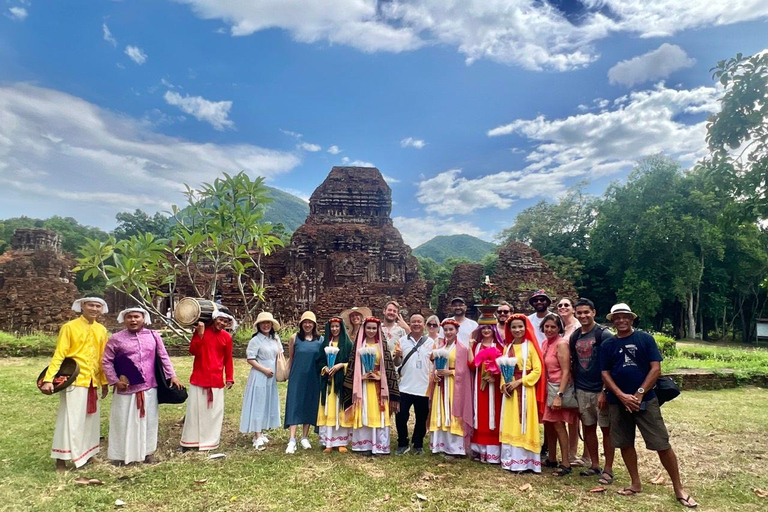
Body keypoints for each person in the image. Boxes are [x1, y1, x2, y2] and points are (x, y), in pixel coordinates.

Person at [601, 303, 698, 508]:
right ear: (612, 321)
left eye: (624, 317)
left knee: (661, 443)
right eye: (616, 317)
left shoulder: (645, 339)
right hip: (618, 403)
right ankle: (635, 483)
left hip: (646, 400)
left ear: (632, 318)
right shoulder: (608, 344)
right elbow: (605, 373)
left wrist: (638, 394)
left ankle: (678, 488)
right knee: (625, 443)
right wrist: (621, 395)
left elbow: (656, 369)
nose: (621, 320)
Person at [103, 307, 182, 465]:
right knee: (122, 421)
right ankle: (119, 456)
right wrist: (114, 381)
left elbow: (163, 356)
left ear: (143, 318)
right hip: (125, 389)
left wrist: (172, 375)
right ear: (124, 320)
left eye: (136, 317)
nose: (133, 320)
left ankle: (147, 453)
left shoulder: (153, 336)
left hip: (149, 386)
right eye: (129, 317)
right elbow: (106, 361)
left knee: (149, 421)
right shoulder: (116, 339)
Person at [40, 297, 110, 471]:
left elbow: (102, 358)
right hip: (74, 379)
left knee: (90, 419)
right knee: (70, 419)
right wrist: (49, 379)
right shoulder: (69, 327)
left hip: (92, 380)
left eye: (97, 306)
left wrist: (104, 381)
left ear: (101, 309)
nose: (94, 308)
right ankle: (61, 460)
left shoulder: (101, 330)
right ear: (82, 306)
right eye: (91, 305)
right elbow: (60, 354)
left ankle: (88, 453)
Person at [571, 298, 615, 485]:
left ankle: (608, 468)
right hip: (582, 389)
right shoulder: (575, 336)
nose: (583, 316)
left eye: (586, 312)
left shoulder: (604, 335)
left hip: (600, 390)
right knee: (588, 428)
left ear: (594, 313)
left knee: (606, 430)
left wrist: (605, 391)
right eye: (579, 313)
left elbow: (612, 365)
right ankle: (594, 464)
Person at [180, 309, 235, 451]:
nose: (222, 323)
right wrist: (200, 335)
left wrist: (229, 377)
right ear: (214, 319)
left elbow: (228, 359)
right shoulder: (201, 331)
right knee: (194, 411)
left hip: (216, 379)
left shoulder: (226, 337)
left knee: (213, 413)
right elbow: (193, 351)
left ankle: (210, 442)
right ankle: (190, 442)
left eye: (225, 321)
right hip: (199, 377)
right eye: (220, 320)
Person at [343, 317, 399, 455]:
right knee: (363, 412)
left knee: (378, 413)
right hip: (362, 386)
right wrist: (360, 377)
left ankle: (379, 445)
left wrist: (379, 376)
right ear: (364, 329)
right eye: (369, 328)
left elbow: (388, 368)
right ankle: (363, 446)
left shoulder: (382, 347)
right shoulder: (358, 347)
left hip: (379, 387)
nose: (371, 331)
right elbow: (352, 367)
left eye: (374, 328)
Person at [499, 314, 546, 473]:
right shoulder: (507, 347)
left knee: (524, 422)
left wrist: (519, 382)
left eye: (520, 326)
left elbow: (538, 370)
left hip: (525, 390)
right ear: (509, 329)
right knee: (510, 422)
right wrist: (504, 385)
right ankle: (510, 460)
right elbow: (503, 370)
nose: (517, 330)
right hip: (510, 391)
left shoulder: (530, 346)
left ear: (525, 328)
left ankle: (525, 462)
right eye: (514, 327)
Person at [428, 319, 473, 458]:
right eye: (446, 330)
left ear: (457, 331)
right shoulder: (439, 349)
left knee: (454, 412)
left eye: (451, 329)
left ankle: (456, 448)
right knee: (441, 411)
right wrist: (436, 375)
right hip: (441, 385)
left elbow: (466, 370)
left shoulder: (462, 349)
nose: (448, 332)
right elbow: (435, 367)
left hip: (455, 386)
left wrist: (451, 373)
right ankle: (441, 444)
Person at [540, 313, 578, 476]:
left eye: (553, 327)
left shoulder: (561, 344)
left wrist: (559, 394)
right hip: (547, 386)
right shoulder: (544, 343)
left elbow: (566, 371)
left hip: (557, 386)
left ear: (559, 328)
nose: (549, 330)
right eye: (547, 326)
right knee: (549, 423)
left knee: (559, 424)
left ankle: (566, 462)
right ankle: (552, 458)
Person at [240, 312, 282, 451]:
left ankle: (261, 431)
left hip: (271, 377)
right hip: (259, 375)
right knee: (258, 403)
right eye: (263, 323)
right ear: (258, 325)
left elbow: (280, 355)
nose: (266, 325)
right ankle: (257, 435)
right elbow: (250, 359)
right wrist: (264, 370)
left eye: (268, 323)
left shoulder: (275, 339)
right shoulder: (255, 341)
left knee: (266, 403)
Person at [393, 314, 434, 455]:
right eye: (413, 321)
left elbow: (434, 363)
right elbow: (397, 363)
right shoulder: (402, 341)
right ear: (409, 324)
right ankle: (402, 443)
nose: (416, 324)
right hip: (405, 386)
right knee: (401, 416)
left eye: (419, 322)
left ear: (424, 325)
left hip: (423, 387)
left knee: (421, 417)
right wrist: (397, 355)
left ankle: (418, 443)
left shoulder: (431, 342)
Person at [284, 311, 323, 454]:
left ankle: (304, 437)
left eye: (310, 322)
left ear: (314, 325)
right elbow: (292, 358)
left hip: (313, 376)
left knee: (309, 403)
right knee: (294, 403)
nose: (307, 325)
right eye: (305, 322)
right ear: (301, 324)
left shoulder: (320, 340)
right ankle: (292, 439)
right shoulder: (294, 338)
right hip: (297, 376)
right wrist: (287, 373)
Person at [316, 316, 354, 452]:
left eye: (337, 326)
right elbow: (319, 360)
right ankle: (328, 442)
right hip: (328, 383)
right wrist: (324, 368)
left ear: (341, 328)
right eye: (332, 327)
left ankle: (341, 442)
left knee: (340, 409)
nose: (335, 329)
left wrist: (340, 366)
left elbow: (353, 363)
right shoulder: (326, 343)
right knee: (329, 409)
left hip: (341, 383)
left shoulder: (348, 344)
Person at [468, 324, 504, 464]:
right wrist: (470, 345)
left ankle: (492, 453)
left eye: (489, 328)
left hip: (494, 386)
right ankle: (479, 450)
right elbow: (471, 364)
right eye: (483, 328)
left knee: (493, 415)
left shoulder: (499, 346)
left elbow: (505, 365)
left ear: (493, 330)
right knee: (480, 413)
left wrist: (495, 376)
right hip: (479, 385)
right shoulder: (477, 346)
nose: (486, 331)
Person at [555, 296, 584, 465]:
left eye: (567, 305)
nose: (563, 307)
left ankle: (580, 454)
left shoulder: (578, 327)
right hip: (566, 375)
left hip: (578, 374)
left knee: (579, 416)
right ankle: (572, 452)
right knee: (571, 415)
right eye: (560, 305)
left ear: (573, 309)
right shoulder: (563, 328)